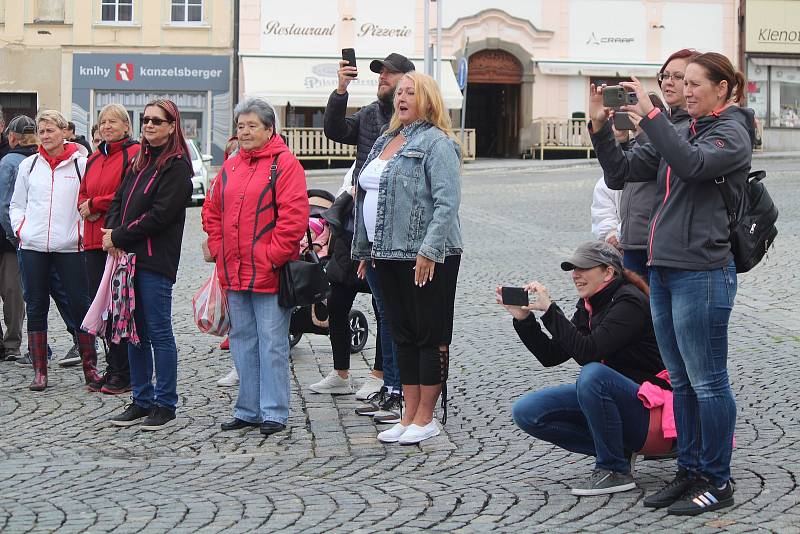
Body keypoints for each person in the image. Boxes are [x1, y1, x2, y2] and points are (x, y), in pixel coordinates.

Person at [589, 52, 754, 515]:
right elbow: (622, 173)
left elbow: (692, 165)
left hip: (702, 272)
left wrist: (654, 116)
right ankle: (690, 470)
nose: (687, 89)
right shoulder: (678, 128)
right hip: (663, 271)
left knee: (708, 382)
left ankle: (717, 480)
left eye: (696, 83)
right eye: (683, 82)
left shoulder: (732, 131)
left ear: (722, 89)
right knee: (680, 381)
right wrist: (601, 128)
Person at [500, 241, 672, 495]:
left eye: (583, 268)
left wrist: (551, 311)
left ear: (608, 272)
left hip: (651, 410)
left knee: (593, 375)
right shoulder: (590, 303)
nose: (576, 275)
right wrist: (524, 320)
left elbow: (588, 352)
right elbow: (552, 355)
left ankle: (613, 469)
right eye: (573, 269)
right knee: (527, 412)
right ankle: (617, 452)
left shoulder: (630, 302)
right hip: (617, 401)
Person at [353, 71, 462, 445]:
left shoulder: (437, 143)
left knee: (426, 335)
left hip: (425, 255)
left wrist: (429, 250)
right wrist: (366, 249)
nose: (402, 97)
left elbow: (447, 203)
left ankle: (426, 417)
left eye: (410, 92)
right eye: (399, 91)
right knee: (401, 335)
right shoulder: (386, 138)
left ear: (427, 98)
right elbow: (367, 197)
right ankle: (409, 414)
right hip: (385, 255)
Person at [315, 52, 415, 412]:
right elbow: (334, 131)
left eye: (389, 74)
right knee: (338, 298)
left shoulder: (414, 120)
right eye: (381, 75)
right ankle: (342, 372)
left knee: (383, 305)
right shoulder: (371, 114)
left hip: (391, 231)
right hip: (357, 226)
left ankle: (381, 375)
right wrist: (341, 88)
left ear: (408, 79)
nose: (382, 79)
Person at [204, 97, 309, 437]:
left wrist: (272, 257)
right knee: (242, 341)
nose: (245, 132)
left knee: (272, 343)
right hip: (233, 270)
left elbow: (293, 218)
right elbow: (212, 210)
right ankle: (248, 409)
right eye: (241, 126)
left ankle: (274, 411)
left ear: (269, 129)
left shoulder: (285, 164)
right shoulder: (232, 164)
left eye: (252, 126)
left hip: (268, 271)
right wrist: (219, 249)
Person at [104, 99, 193, 431]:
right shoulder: (139, 161)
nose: (150, 125)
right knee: (133, 332)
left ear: (172, 126)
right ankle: (141, 400)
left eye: (158, 120)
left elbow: (160, 215)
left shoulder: (177, 165)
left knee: (158, 332)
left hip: (155, 261)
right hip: (128, 260)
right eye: (145, 119)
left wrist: (120, 236)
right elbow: (118, 200)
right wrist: (111, 231)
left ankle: (165, 404)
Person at [9, 110, 100, 391]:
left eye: (50, 130)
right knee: (35, 304)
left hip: (71, 247)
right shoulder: (30, 166)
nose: (45, 136)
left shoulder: (81, 164)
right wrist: (21, 230)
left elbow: (91, 201)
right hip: (34, 246)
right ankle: (40, 371)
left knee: (80, 304)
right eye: (42, 131)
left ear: (64, 132)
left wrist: (82, 234)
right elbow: (17, 204)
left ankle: (91, 367)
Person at [605, 49, 697, 277]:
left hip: (668, 245)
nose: (668, 82)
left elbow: (673, 160)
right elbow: (620, 175)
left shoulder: (697, 127)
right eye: (665, 76)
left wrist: (648, 128)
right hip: (635, 240)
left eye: (678, 77)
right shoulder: (666, 124)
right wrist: (610, 136)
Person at [78, 103, 140, 394]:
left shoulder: (133, 154)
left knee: (118, 308)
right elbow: (83, 192)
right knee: (100, 307)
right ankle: (111, 368)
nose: (106, 126)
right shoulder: (93, 158)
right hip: (92, 239)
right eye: (102, 122)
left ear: (127, 126)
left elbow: (125, 192)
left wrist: (94, 205)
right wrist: (86, 205)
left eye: (113, 121)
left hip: (116, 239)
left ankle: (123, 372)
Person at [0, 115, 37, 362]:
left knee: (13, 292)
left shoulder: (9, 160)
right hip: (21, 235)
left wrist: (13, 235)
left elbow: (4, 206)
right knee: (15, 292)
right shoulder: (38, 159)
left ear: (10, 135)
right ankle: (12, 344)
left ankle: (10, 345)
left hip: (9, 237)